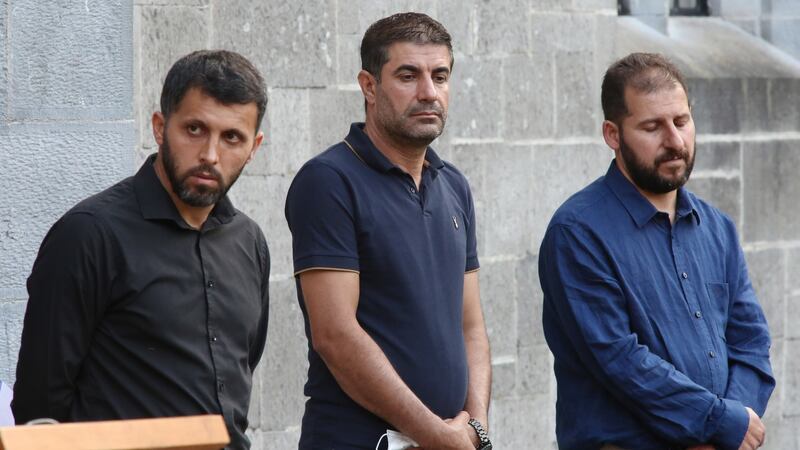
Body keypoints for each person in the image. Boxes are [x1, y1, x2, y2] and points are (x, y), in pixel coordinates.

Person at [13, 50, 270, 450]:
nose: (210, 155)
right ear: (159, 126)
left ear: (254, 146)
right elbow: (39, 408)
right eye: (195, 129)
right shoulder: (89, 235)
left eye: (231, 137)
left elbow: (241, 372)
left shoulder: (249, 241)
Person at [539, 52, 775, 450]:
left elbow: (750, 343)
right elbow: (618, 360)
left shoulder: (717, 228)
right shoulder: (578, 233)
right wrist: (720, 422)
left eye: (681, 122)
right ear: (613, 135)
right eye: (652, 127)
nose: (674, 141)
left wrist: (727, 431)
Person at [285, 12, 492, 450]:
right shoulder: (329, 181)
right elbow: (336, 336)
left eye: (440, 76)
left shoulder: (453, 184)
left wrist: (474, 430)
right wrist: (435, 434)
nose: (428, 93)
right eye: (408, 76)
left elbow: (470, 325)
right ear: (368, 86)